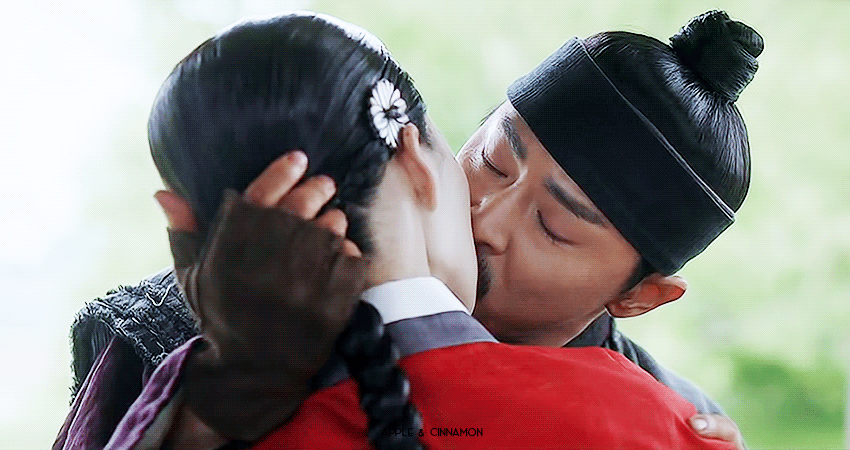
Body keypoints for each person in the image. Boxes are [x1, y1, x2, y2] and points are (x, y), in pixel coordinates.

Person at [57, 9, 760, 449]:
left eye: (554, 226)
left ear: (640, 296)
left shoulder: (672, 418)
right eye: (490, 162)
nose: (485, 217)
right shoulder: (187, 321)